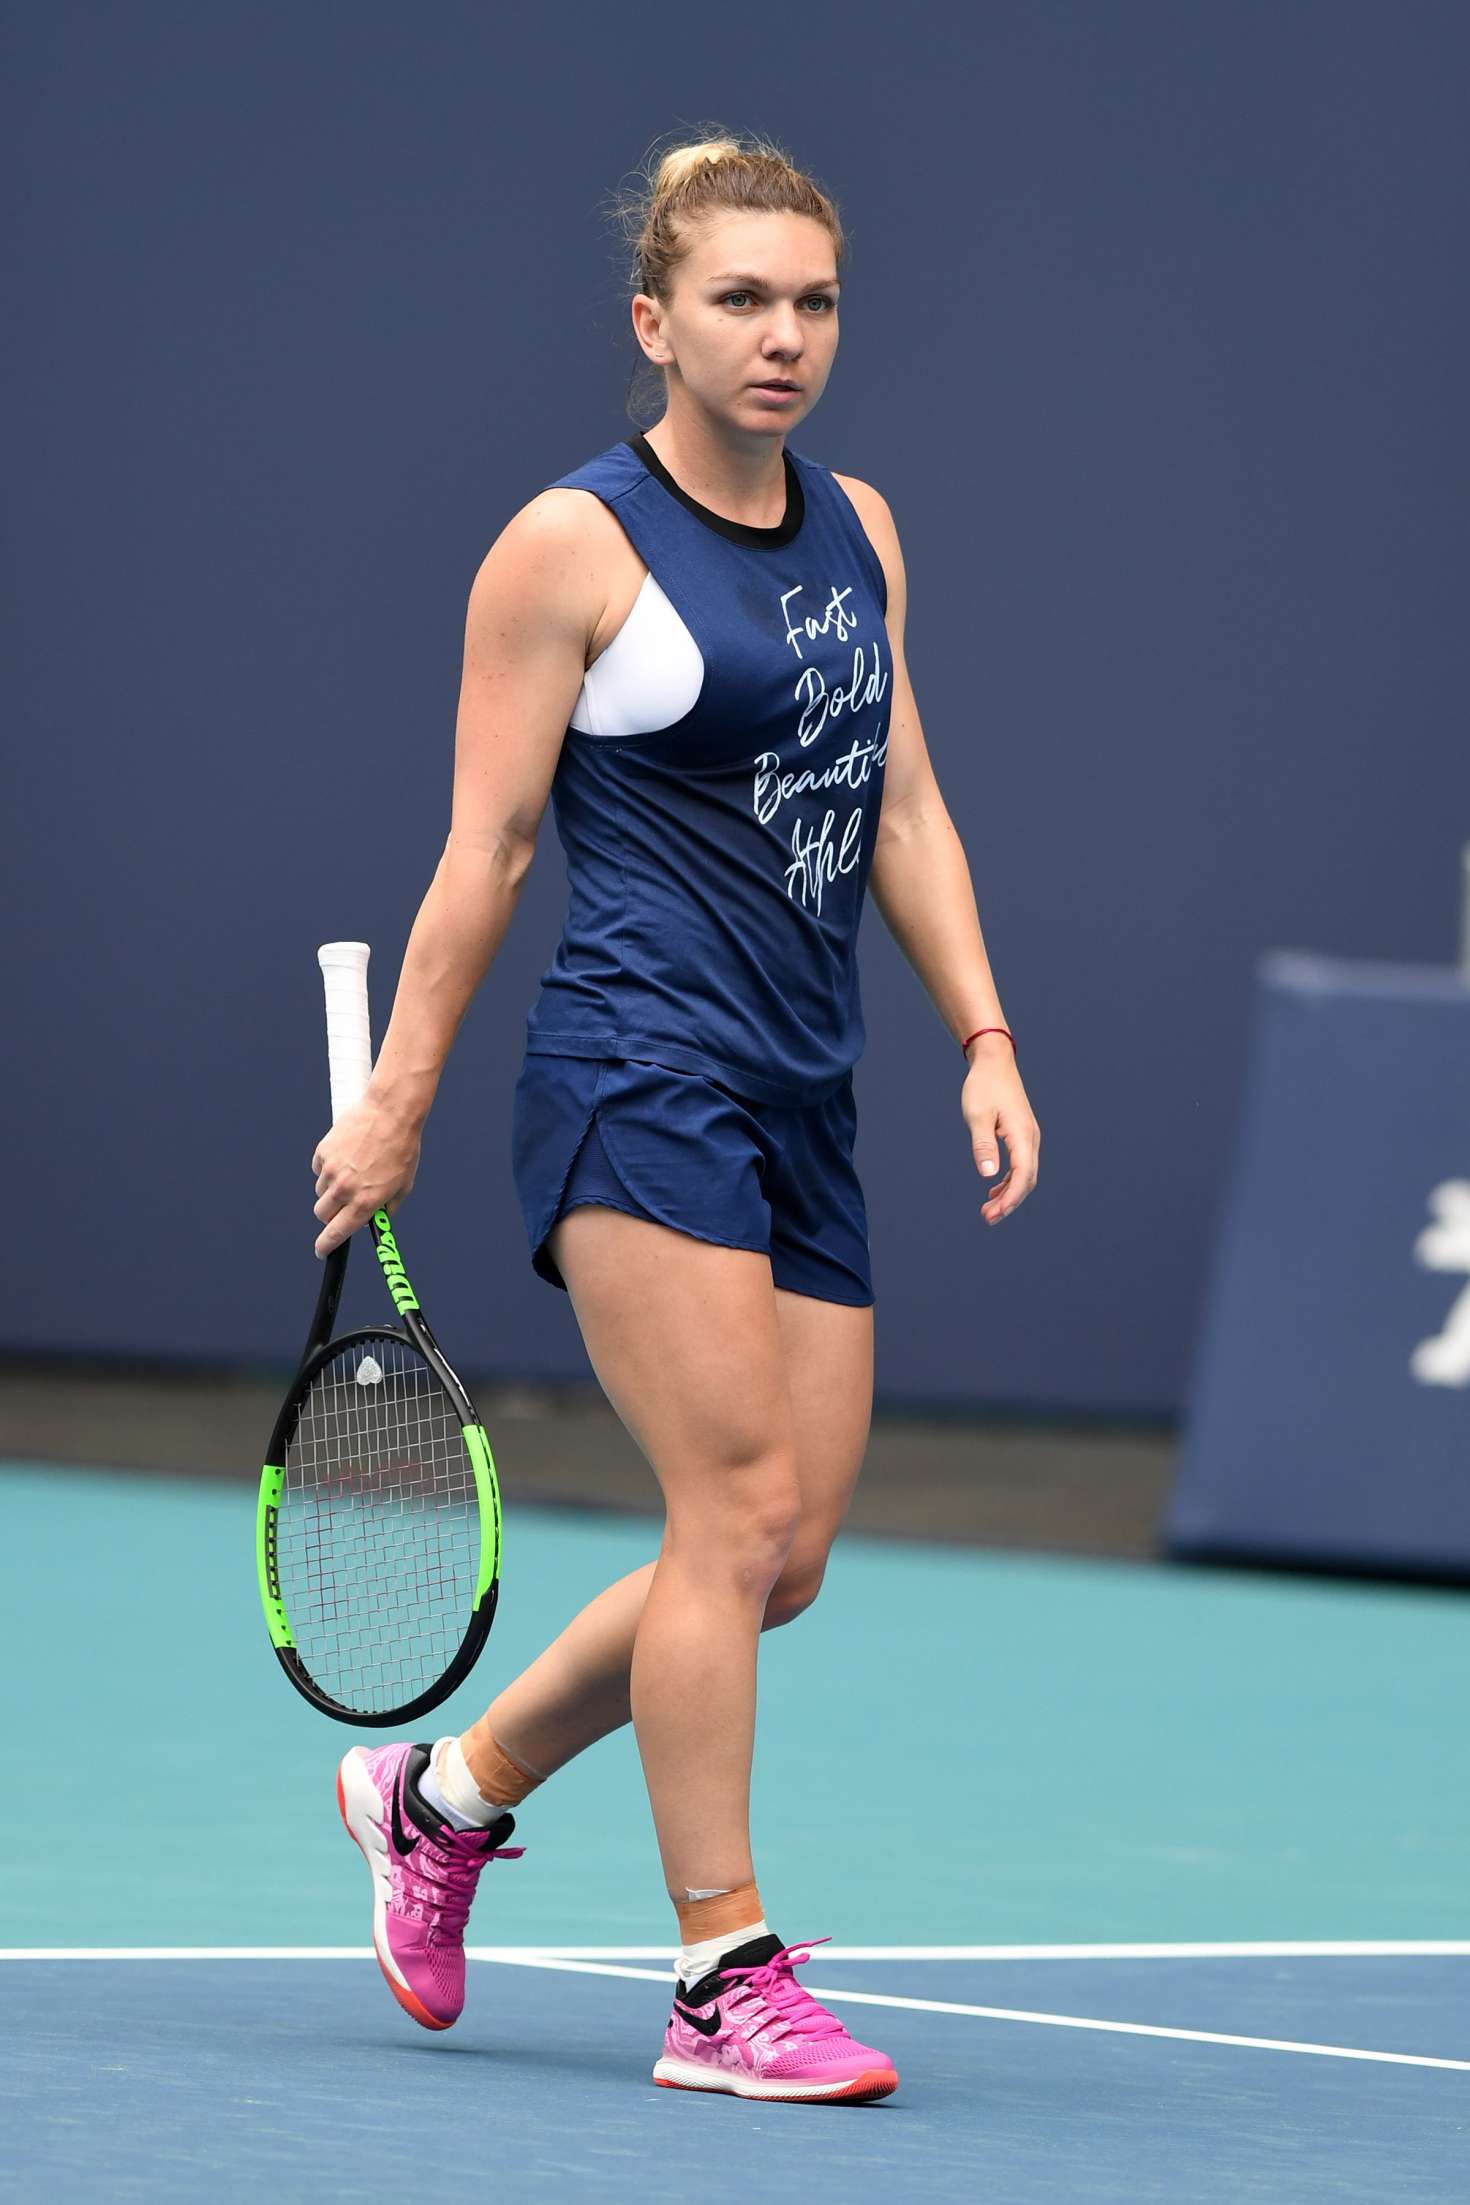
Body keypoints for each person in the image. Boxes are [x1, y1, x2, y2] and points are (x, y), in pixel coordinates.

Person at [312, 126, 1039, 2105]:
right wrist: (397, 1104)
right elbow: (489, 845)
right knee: (725, 1512)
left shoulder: (861, 528)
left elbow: (899, 804)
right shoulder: (572, 545)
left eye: (812, 301)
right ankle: (722, 1972)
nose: (783, 334)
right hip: (637, 1071)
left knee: (778, 1554)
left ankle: (442, 1793)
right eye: (739, 298)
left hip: (809, 1090)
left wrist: (978, 1027)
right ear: (656, 318)